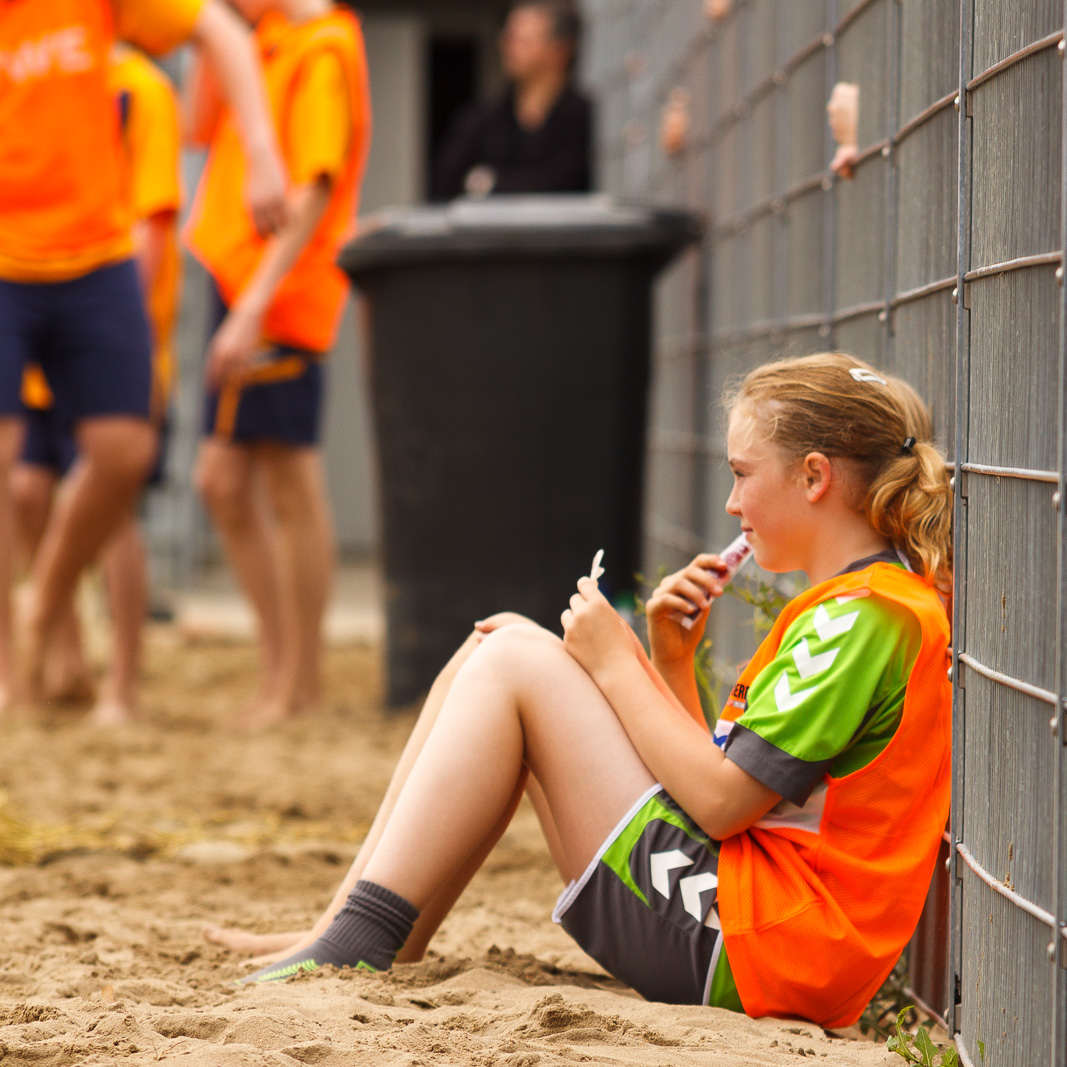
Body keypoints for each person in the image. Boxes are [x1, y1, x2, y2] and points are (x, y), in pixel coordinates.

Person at [203, 353, 955, 1029]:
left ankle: (357, 936)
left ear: (815, 476)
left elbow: (723, 805)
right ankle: (355, 924)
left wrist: (615, 663)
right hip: (758, 931)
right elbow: (726, 789)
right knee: (494, 645)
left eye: (742, 473)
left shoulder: (866, 619)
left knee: (517, 663)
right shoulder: (858, 606)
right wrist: (669, 659)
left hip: (761, 945)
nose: (731, 503)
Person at [0, 0, 286, 711]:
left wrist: (261, 148)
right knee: (15, 474)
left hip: (97, 260)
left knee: (123, 454)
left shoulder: (126, 62)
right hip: (8, 261)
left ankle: (52, 610)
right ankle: (14, 663)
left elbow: (217, 28)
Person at [183, 0, 370, 729]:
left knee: (286, 481)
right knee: (226, 482)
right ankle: (283, 671)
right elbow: (205, 118)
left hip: (277, 295)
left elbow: (315, 185)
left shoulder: (321, 50)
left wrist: (256, 304)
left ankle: (297, 682)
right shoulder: (271, 41)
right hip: (243, 283)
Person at [11, 42, 184, 724]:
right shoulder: (33, 77)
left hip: (106, 329)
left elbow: (151, 221)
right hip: (34, 321)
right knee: (27, 493)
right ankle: (63, 657)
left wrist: (114, 330)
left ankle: (124, 685)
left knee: (114, 515)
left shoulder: (138, 89)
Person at [428, 0, 592, 201]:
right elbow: (445, 183)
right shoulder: (480, 119)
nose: (507, 47)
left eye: (523, 40)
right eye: (508, 37)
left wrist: (486, 184)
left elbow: (566, 183)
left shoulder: (585, 117)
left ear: (559, 50)